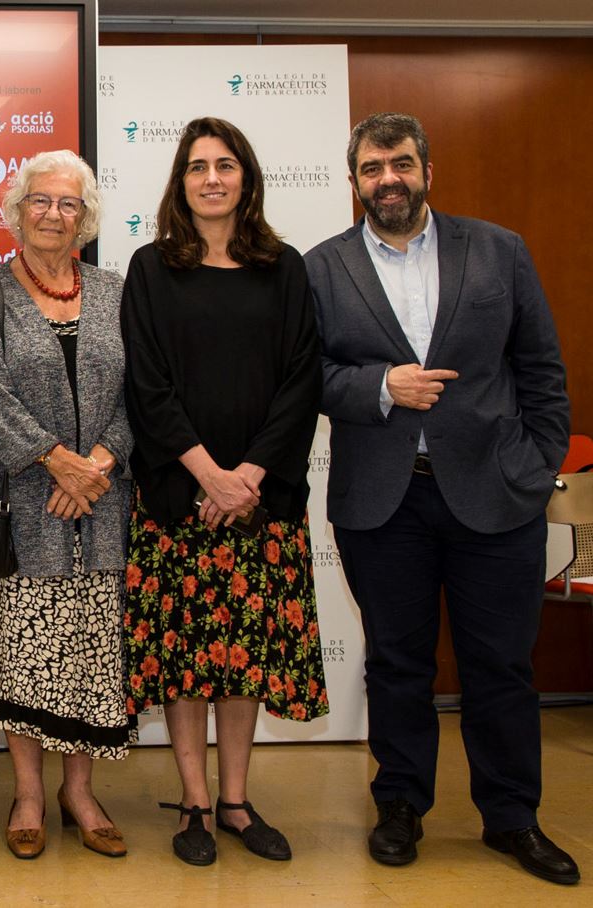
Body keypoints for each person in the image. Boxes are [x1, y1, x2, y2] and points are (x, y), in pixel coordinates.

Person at [305, 112, 577, 885]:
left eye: (400, 163)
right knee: (397, 664)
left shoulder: (499, 250)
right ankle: (400, 806)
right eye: (371, 168)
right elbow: (305, 378)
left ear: (428, 170)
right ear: (353, 181)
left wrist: (535, 467)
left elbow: (541, 369)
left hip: (497, 496)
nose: (387, 179)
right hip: (383, 504)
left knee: (501, 666)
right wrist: (379, 386)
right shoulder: (322, 267)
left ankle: (513, 816)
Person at [120, 117, 326, 866]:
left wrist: (249, 478)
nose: (212, 178)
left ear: (247, 178)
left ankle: (235, 800)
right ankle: (194, 804)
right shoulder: (151, 268)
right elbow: (147, 385)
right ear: (180, 182)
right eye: (197, 166)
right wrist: (208, 474)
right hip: (179, 499)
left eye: (225, 165)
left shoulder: (285, 267)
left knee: (243, 659)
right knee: (186, 660)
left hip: (260, 504)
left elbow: (302, 381)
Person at [0, 149, 134, 861]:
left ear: (85, 217)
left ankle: (80, 793)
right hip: (21, 500)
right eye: (41, 200)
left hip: (101, 502)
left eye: (68, 203)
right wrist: (55, 460)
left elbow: (142, 389)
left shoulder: (115, 290)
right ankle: (29, 794)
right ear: (17, 210)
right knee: (22, 652)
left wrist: (99, 463)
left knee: (90, 652)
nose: (54, 214)